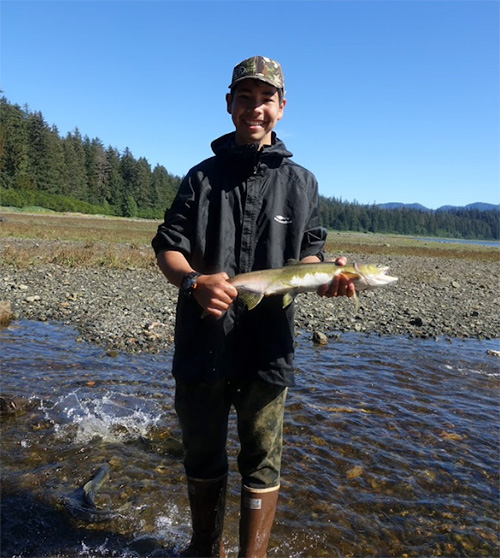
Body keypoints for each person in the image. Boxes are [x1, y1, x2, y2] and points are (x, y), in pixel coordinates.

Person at [152, 55, 354, 558]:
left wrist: (327, 274)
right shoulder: (200, 179)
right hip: (204, 341)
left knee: (263, 459)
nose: (255, 108)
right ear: (229, 105)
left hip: (269, 348)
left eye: (266, 99)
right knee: (202, 453)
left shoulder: (302, 183)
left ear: (282, 108)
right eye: (246, 98)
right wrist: (193, 280)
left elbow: (309, 251)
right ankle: (203, 548)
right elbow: (166, 245)